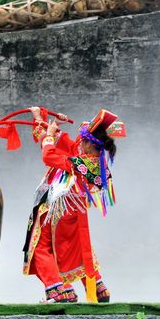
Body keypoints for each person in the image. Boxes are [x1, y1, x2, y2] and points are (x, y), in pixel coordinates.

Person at [23, 107, 122, 303]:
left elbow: (48, 156)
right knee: (78, 248)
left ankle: (57, 290)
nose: (79, 143)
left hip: (60, 210)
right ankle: (98, 287)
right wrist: (41, 120)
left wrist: (50, 135)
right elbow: (67, 145)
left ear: (88, 144)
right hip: (76, 210)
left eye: (82, 141)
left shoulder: (80, 164)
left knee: (40, 245)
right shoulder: (95, 161)